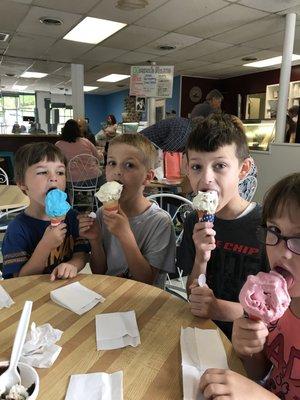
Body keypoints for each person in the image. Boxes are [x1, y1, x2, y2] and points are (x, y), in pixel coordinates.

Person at [199, 173, 300, 400]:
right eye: (274, 231)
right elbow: (264, 373)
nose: (282, 252)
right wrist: (249, 353)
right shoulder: (274, 306)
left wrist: (259, 396)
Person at [177, 114, 268, 339]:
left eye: (220, 166)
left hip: (249, 346)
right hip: (203, 334)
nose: (206, 178)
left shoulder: (268, 227)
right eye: (197, 166)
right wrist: (201, 258)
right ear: (187, 169)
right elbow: (192, 293)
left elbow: (275, 310)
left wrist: (219, 308)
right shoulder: (193, 222)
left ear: (243, 169)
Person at [78, 133, 176, 288]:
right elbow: (99, 272)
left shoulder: (160, 222)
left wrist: (125, 235)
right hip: (110, 295)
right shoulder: (102, 214)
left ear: (147, 177)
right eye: (112, 163)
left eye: (129, 165)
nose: (117, 171)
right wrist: (95, 241)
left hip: (143, 302)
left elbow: (147, 281)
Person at [2, 142, 90, 280]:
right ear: (22, 183)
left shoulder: (72, 217)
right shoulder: (17, 229)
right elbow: (18, 279)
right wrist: (45, 246)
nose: (53, 177)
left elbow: (82, 254)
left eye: (60, 172)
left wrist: (72, 265)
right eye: (43, 172)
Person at [55, 119, 102, 184]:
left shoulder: (58, 145)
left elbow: (55, 162)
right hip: (93, 179)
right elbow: (98, 158)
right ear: (77, 130)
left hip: (72, 180)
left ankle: (70, 194)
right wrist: (101, 153)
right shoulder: (86, 141)